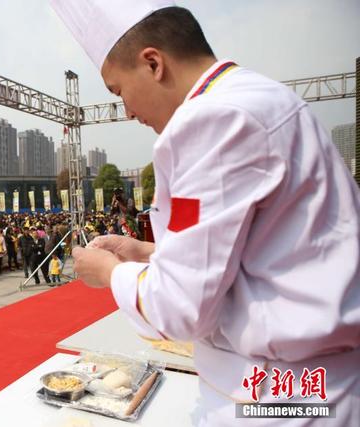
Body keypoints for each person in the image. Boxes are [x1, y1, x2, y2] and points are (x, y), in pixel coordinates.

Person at [52, 2, 360, 425]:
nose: (126, 111)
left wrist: (107, 271)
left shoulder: (210, 120)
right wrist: (145, 251)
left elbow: (180, 309)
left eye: (119, 91)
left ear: (153, 63)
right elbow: (263, 249)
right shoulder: (257, 95)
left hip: (276, 398)